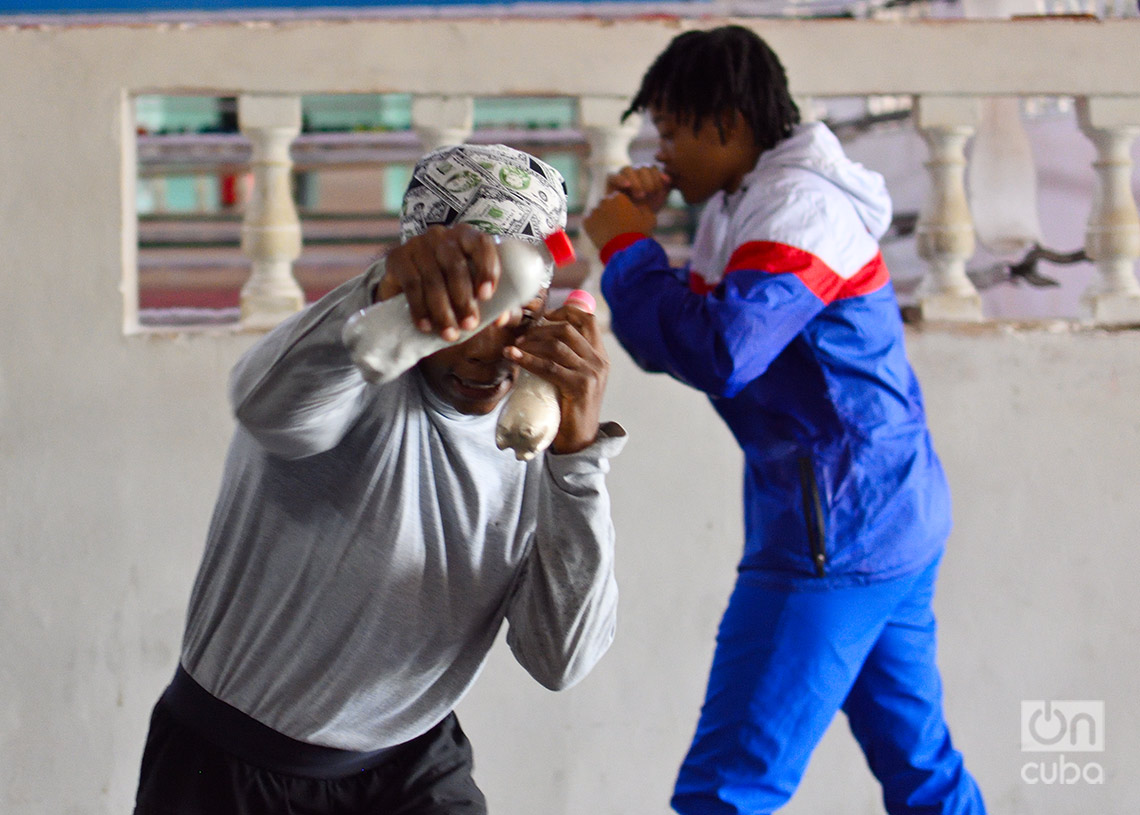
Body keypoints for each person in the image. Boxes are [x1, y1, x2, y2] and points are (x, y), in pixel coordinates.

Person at [134, 143, 624, 815]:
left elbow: (560, 658)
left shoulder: (531, 434)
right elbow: (265, 405)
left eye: (521, 309)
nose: (494, 344)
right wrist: (376, 293)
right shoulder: (346, 374)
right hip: (231, 764)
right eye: (474, 308)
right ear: (420, 292)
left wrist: (578, 459)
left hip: (411, 766)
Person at [582, 25, 987, 815]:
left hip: (836, 533)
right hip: (881, 513)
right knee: (922, 770)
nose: (660, 153)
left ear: (727, 123)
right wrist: (638, 244)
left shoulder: (798, 205)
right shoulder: (743, 204)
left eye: (670, 131)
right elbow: (687, 339)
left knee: (723, 792)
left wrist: (629, 252)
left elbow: (725, 352)